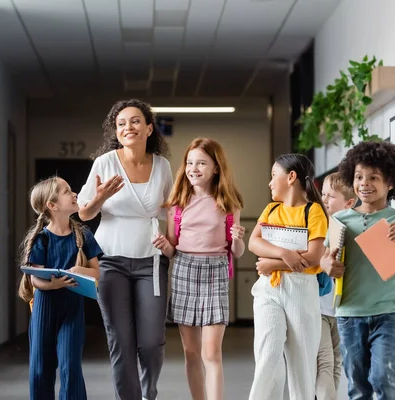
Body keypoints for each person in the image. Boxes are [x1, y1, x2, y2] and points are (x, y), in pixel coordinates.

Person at [77, 99, 173, 400]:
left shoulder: (163, 166)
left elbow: (172, 211)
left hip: (152, 262)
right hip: (111, 261)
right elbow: (84, 213)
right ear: (115, 132)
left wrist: (169, 243)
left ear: (148, 128)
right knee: (121, 341)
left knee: (152, 341)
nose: (127, 127)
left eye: (134, 121)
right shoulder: (104, 163)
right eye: (121, 124)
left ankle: (148, 392)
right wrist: (100, 197)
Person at [320, 140, 395, 400]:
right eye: (359, 177)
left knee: (384, 376)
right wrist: (328, 266)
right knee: (358, 383)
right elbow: (325, 261)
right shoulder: (340, 220)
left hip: (386, 312)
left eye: (374, 177)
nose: (365, 183)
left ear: (391, 183)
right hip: (350, 314)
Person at [152, 138, 245, 400]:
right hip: (184, 271)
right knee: (190, 352)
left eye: (202, 163)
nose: (194, 168)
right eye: (190, 162)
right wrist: (163, 245)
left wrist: (238, 239)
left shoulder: (229, 203)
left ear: (216, 168)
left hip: (215, 273)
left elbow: (236, 252)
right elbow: (172, 249)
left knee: (211, 353)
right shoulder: (177, 203)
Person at [247, 154, 328, 400]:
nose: (270, 182)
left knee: (302, 364)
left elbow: (313, 257)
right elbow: (253, 242)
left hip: (301, 291)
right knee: (268, 353)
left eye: (274, 175)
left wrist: (272, 263)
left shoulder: (313, 212)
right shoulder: (271, 210)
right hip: (268, 291)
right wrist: (284, 254)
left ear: (291, 177)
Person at [17, 176, 102, 400]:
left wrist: (79, 270)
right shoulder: (41, 240)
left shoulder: (83, 236)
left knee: (70, 366)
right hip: (45, 307)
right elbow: (35, 279)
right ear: (52, 205)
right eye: (67, 191)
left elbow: (97, 273)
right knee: (40, 368)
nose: (74, 194)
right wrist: (53, 284)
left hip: (73, 307)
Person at [316, 172, 357, 400]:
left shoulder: (353, 227)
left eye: (330, 196)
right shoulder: (320, 223)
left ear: (349, 203)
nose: (323, 200)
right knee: (324, 362)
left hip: (342, 309)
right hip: (319, 308)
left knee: (336, 362)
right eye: (322, 194)